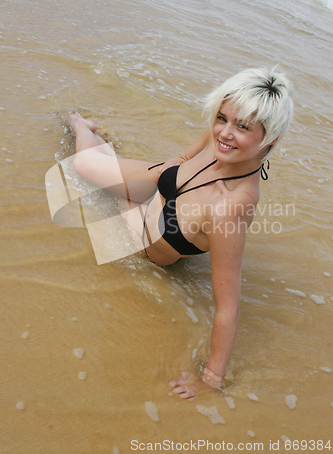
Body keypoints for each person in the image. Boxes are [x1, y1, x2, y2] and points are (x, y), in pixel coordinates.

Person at [66, 67, 293, 400]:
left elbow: (228, 306)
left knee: (94, 171)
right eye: (222, 118)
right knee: (82, 165)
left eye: (242, 127)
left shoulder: (231, 206)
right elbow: (192, 152)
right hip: (160, 182)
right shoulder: (221, 140)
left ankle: (96, 144)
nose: (225, 133)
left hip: (144, 233)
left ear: (270, 137)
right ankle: (80, 125)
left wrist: (211, 379)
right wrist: (173, 165)